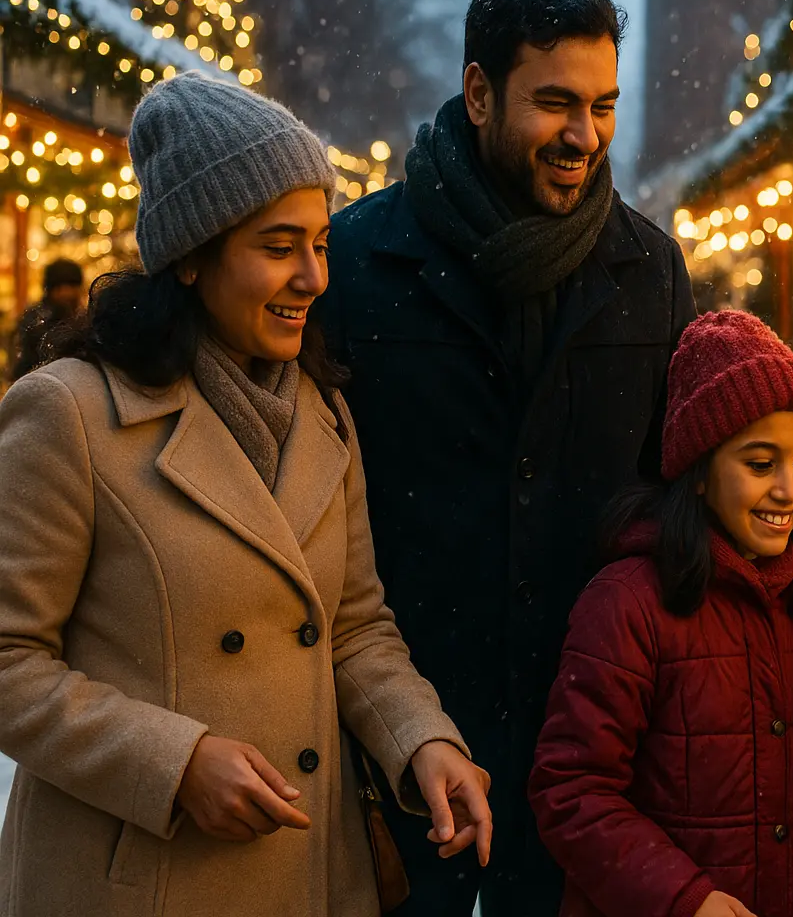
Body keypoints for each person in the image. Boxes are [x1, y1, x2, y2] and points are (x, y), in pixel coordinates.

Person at [0, 71, 491, 917]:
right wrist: (172, 764)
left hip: (308, 874)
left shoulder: (321, 409)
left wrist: (422, 740)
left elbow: (356, 628)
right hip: (139, 884)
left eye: (320, 245)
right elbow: (9, 660)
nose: (314, 277)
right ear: (192, 256)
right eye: (278, 247)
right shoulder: (69, 414)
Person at [322, 0, 695, 915]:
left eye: (604, 105)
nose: (585, 137)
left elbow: (677, 484)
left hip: (586, 745)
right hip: (396, 737)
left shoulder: (647, 267)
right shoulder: (359, 263)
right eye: (556, 103)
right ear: (479, 92)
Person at [529, 310, 793, 917]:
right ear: (701, 472)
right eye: (760, 465)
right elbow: (572, 790)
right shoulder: (628, 600)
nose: (789, 490)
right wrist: (686, 900)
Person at [8, 257, 85, 382]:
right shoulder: (35, 321)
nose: (67, 293)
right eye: (61, 287)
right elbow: (22, 364)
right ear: (50, 289)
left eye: (72, 286)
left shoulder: (83, 317)